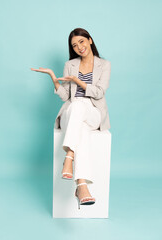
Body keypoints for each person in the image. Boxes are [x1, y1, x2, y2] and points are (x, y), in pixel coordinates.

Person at [31, 28, 111, 209]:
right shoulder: (70, 64)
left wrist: (78, 81)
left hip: (93, 113)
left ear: (90, 40)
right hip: (73, 112)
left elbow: (99, 93)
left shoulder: (104, 65)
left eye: (82, 42)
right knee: (77, 108)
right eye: (74, 45)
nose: (79, 47)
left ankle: (69, 157)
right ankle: (82, 186)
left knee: (81, 105)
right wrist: (53, 77)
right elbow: (66, 96)